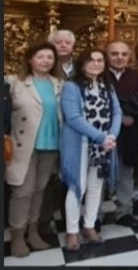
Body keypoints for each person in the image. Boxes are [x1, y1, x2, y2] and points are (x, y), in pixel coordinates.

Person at [59, 49, 122, 252]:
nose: (96, 64)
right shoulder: (71, 86)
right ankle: (72, 231)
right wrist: (102, 137)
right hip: (80, 144)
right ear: (82, 64)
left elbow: (117, 112)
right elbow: (73, 117)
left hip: (103, 146)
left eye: (99, 60)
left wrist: (111, 136)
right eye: (91, 60)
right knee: (77, 187)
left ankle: (89, 226)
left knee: (96, 188)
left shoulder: (106, 85)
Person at [7, 44, 65, 257]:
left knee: (40, 189)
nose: (46, 61)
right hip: (24, 145)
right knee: (22, 191)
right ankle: (17, 236)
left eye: (50, 57)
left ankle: (33, 232)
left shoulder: (59, 83)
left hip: (51, 144)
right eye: (40, 56)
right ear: (30, 60)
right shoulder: (14, 82)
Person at [106, 40, 138, 228]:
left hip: (130, 133)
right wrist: (119, 114)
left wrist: (129, 113)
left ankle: (124, 211)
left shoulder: (136, 75)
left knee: (126, 174)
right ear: (107, 55)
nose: (119, 58)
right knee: (99, 176)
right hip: (102, 134)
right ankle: (95, 216)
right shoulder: (98, 74)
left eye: (124, 54)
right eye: (114, 54)